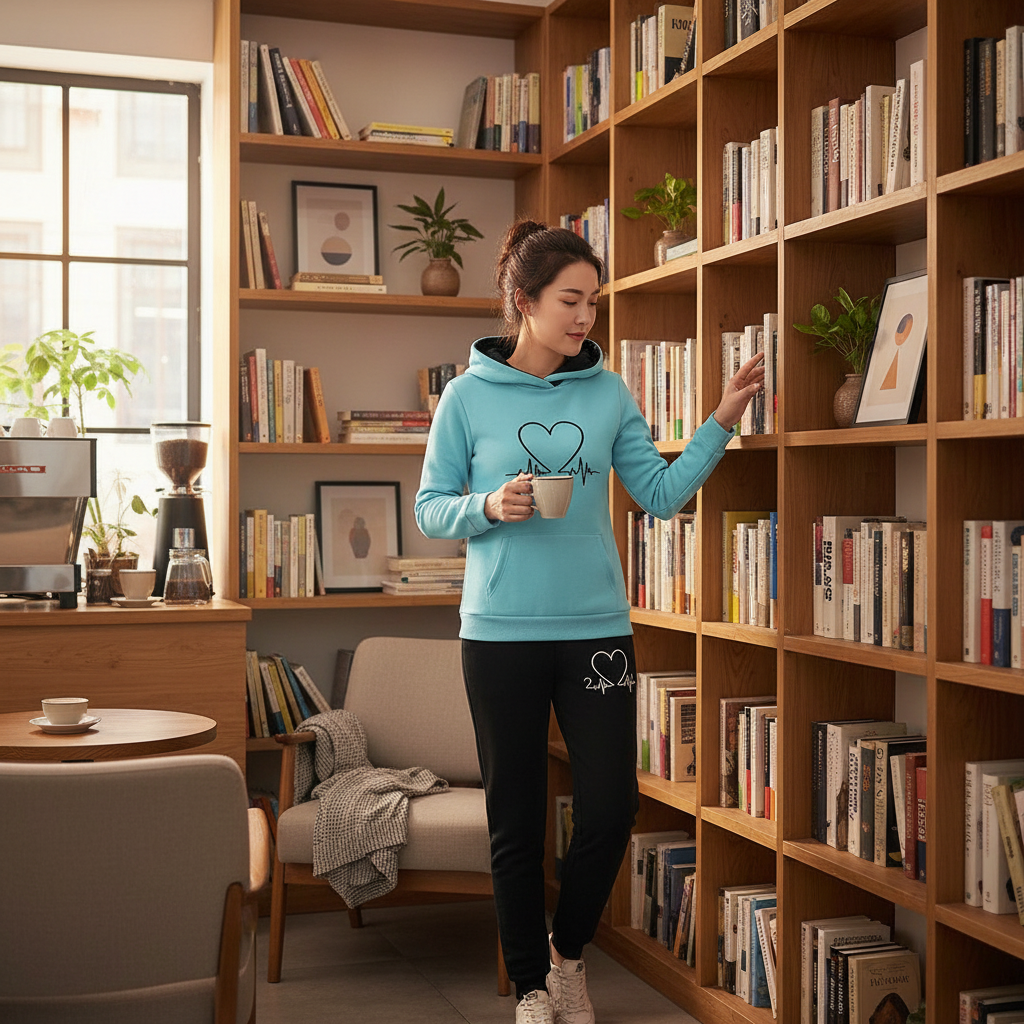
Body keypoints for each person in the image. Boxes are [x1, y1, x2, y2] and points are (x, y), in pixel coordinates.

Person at [414, 221, 763, 1024]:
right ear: (523, 302)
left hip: (595, 629)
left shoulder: (608, 392)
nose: (584, 318)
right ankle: (532, 989)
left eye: (593, 303)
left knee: (611, 804)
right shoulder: (466, 398)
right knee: (517, 819)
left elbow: (663, 496)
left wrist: (721, 420)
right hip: (498, 634)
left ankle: (569, 955)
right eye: (570, 300)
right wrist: (488, 506)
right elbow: (432, 509)